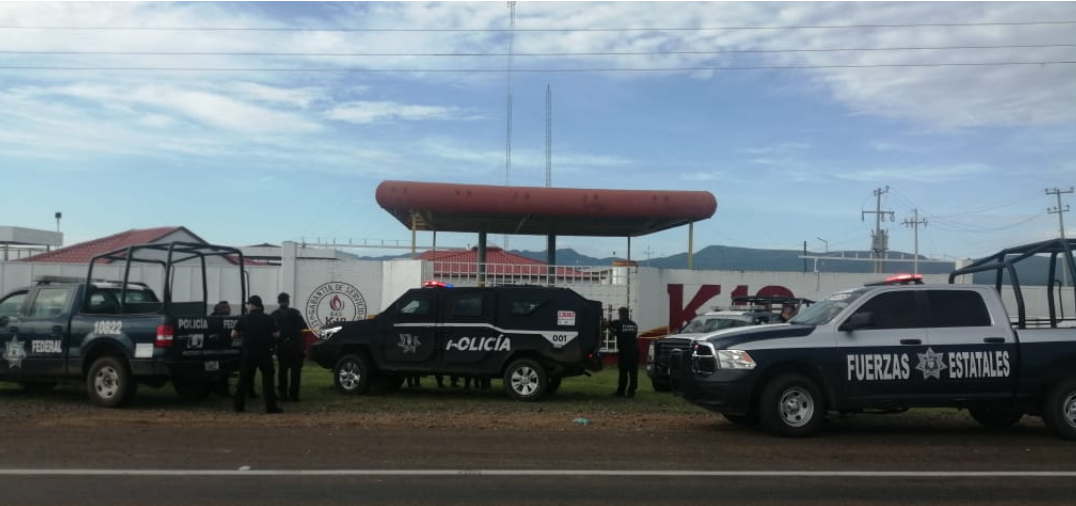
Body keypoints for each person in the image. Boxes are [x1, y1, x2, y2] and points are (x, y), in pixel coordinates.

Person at [231, 295, 283, 414]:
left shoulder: (244, 318)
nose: (247, 306)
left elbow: (233, 334)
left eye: (248, 304)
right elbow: (276, 334)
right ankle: (271, 407)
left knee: (243, 380)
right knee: (268, 380)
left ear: (252, 305)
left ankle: (239, 406)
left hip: (248, 353)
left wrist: (245, 334)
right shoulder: (268, 318)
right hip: (264, 352)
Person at [271, 292, 309, 402]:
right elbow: (304, 326)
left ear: (278, 301)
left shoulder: (274, 314)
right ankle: (294, 395)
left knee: (282, 371)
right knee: (295, 372)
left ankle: (283, 395)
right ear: (288, 301)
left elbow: (271, 330)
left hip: (281, 345)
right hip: (295, 345)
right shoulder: (295, 313)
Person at [610, 306, 639, 398]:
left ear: (621, 314)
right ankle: (631, 391)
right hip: (634, 351)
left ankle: (621, 392)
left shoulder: (619, 323)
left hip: (624, 351)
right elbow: (620, 333)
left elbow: (610, 324)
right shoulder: (634, 324)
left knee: (623, 372)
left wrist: (607, 326)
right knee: (633, 372)